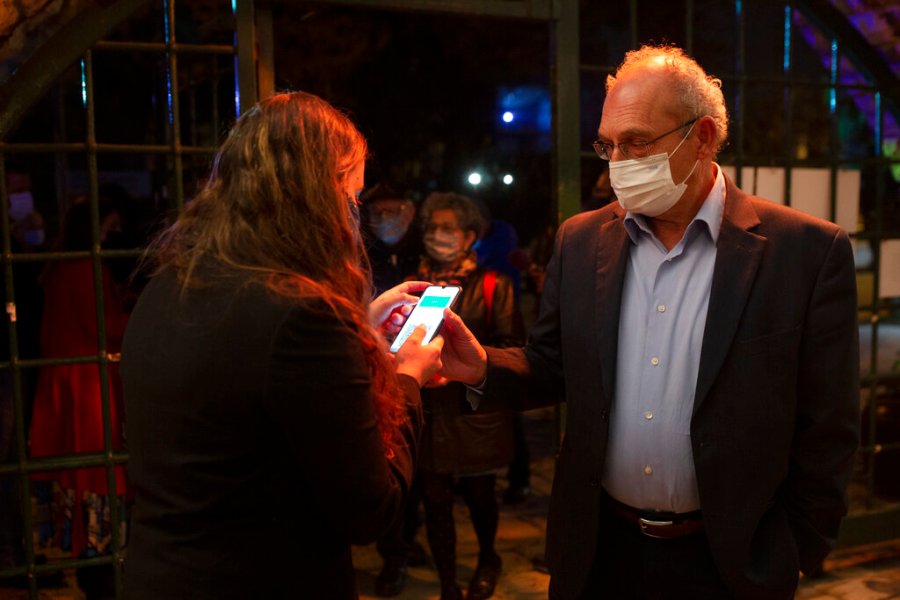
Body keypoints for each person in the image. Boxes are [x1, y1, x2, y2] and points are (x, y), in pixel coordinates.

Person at [437, 44, 859, 599]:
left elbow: (828, 423)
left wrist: (798, 548)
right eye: (608, 145)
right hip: (601, 552)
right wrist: (481, 367)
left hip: (731, 563)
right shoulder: (582, 240)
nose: (618, 162)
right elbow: (552, 364)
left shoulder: (805, 252)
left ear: (704, 136)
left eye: (637, 142)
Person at [119, 91, 443, 600]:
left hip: (159, 573)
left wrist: (358, 329)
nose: (353, 216)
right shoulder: (304, 315)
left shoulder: (173, 283)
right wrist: (407, 375)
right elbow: (370, 510)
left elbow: (246, 380)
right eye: (350, 196)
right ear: (317, 195)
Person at [414, 192, 525, 600]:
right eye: (432, 227)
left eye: (448, 228)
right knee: (435, 498)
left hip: (475, 410)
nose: (437, 236)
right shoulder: (414, 283)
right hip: (430, 411)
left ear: (470, 236)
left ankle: (487, 559)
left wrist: (463, 364)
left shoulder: (493, 285)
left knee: (481, 495)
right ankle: (447, 581)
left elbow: (514, 346)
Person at [28, 198, 130, 567]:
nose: (111, 235)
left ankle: (70, 538)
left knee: (71, 466)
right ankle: (95, 545)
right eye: (109, 227)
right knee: (96, 468)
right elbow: (102, 326)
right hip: (87, 380)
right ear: (94, 227)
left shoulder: (58, 267)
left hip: (59, 376)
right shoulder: (89, 267)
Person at [361, 182, 429, 596]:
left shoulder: (424, 255)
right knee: (386, 464)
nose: (387, 220)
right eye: (378, 212)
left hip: (419, 376)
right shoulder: (360, 257)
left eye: (395, 212)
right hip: (376, 378)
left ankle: (407, 539)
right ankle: (394, 554)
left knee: (416, 473)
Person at [363, 182, 422, 295]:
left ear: (409, 212)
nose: (383, 217)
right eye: (377, 212)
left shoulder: (424, 254)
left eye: (390, 211)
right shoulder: (363, 255)